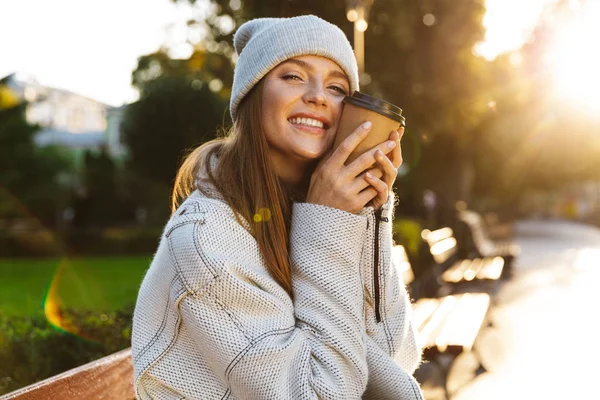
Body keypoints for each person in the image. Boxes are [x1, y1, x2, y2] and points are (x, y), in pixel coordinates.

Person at [131, 15, 423, 400]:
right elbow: (321, 394)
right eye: (293, 77)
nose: (318, 96)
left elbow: (393, 354)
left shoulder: (311, 208)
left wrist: (368, 211)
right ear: (252, 95)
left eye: (337, 87)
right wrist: (328, 222)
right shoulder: (205, 241)